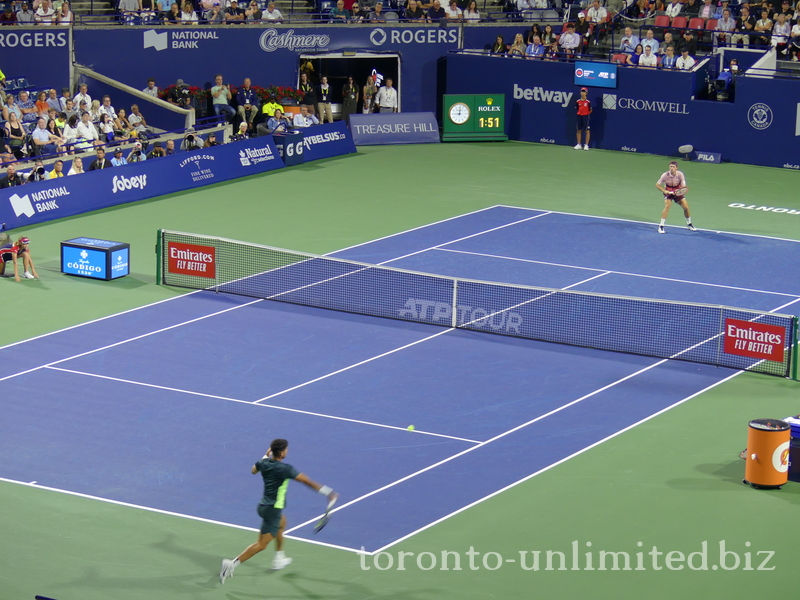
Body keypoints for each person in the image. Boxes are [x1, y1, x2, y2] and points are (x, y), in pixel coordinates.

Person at [218, 438, 338, 585]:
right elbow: (308, 482)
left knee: (282, 522)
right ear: (281, 453)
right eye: (286, 449)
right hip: (272, 510)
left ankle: (279, 558)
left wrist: (265, 455)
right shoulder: (285, 469)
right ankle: (231, 564)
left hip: (263, 507)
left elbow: (253, 470)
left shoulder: (263, 463)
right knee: (261, 545)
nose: (287, 451)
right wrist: (329, 493)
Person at [655, 161, 695, 234]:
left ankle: (689, 224)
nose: (671, 168)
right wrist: (664, 191)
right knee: (667, 206)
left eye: (673, 167)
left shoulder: (680, 174)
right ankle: (661, 226)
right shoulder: (665, 175)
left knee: (686, 207)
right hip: (668, 191)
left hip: (678, 191)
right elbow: (657, 184)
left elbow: (683, 186)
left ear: (676, 168)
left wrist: (678, 191)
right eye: (670, 166)